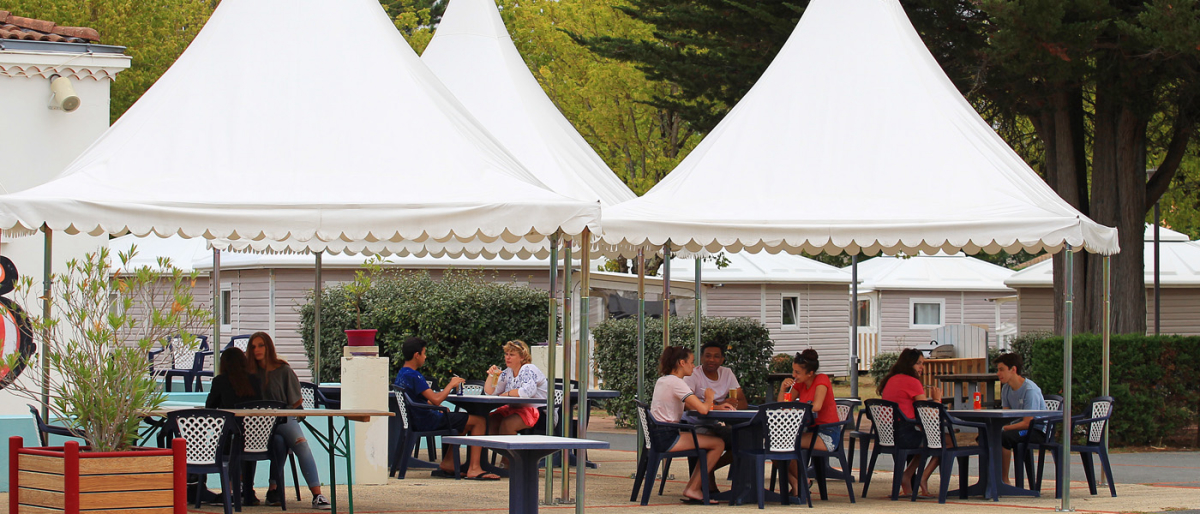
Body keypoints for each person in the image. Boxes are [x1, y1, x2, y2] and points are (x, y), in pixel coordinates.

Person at [392, 337, 498, 480]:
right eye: (424, 353)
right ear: (416, 355)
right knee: (479, 421)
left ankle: (449, 463)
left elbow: (418, 399)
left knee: (462, 421)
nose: (425, 356)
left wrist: (439, 407)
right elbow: (435, 399)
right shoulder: (414, 375)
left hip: (417, 419)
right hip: (427, 420)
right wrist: (451, 385)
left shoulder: (402, 374)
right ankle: (474, 468)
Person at [245, 332, 330, 509]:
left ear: (268, 347)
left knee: (300, 443)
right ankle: (271, 490)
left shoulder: (283, 370)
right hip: (255, 425)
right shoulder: (247, 373)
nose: (257, 350)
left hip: (282, 419)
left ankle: (317, 495)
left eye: (261, 345)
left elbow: (295, 404)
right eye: (253, 347)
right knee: (279, 442)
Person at [650, 346, 724, 505]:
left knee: (709, 439)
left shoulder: (663, 380)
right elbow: (703, 409)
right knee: (718, 443)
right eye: (691, 362)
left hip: (659, 433)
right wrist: (709, 397)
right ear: (681, 363)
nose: (694, 366)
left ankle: (694, 486)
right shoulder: (677, 383)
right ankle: (693, 487)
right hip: (668, 436)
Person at [877, 348, 942, 498]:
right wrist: (937, 399)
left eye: (923, 363)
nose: (921, 367)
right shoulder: (912, 381)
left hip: (887, 434)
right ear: (909, 364)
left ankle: (907, 476)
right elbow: (928, 414)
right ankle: (922, 479)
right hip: (904, 434)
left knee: (928, 440)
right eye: (918, 363)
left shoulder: (891, 379)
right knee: (946, 442)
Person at [205, 347, 263, 506]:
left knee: (228, 440)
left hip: (228, 441)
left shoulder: (220, 381)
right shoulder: (255, 380)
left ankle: (229, 490)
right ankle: (248, 490)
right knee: (245, 440)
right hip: (257, 440)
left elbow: (209, 408)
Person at [777, 349, 838, 493]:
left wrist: (796, 409)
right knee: (774, 445)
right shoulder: (800, 383)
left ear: (810, 373)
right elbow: (782, 406)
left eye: (797, 372)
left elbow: (816, 406)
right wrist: (782, 389)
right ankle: (800, 483)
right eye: (793, 371)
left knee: (783, 443)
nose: (794, 375)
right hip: (808, 430)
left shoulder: (821, 379)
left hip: (826, 432)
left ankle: (802, 482)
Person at [994, 353, 1046, 485]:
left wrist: (1004, 428)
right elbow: (1005, 416)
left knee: (1004, 437)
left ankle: (1004, 481)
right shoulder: (1006, 388)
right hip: (1019, 429)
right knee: (987, 435)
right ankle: (990, 478)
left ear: (1013, 369)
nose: (998, 373)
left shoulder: (1030, 390)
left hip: (1036, 430)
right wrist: (997, 427)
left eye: (1001, 369)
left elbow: (1028, 423)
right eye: (997, 370)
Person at [484, 340, 548, 436]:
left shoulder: (528, 368)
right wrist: (491, 375)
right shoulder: (508, 371)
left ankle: (514, 451)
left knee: (507, 424)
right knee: (491, 420)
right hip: (515, 408)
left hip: (538, 411)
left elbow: (527, 392)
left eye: (512, 355)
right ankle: (501, 450)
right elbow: (491, 392)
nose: (507, 357)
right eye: (506, 354)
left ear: (522, 357)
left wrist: (508, 393)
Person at [685, 342, 746, 410]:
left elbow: (743, 403)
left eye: (716, 356)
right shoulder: (692, 374)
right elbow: (686, 404)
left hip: (721, 419)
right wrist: (718, 406)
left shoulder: (727, 373)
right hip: (695, 419)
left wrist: (728, 404)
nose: (711, 360)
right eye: (708, 356)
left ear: (722, 360)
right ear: (701, 358)